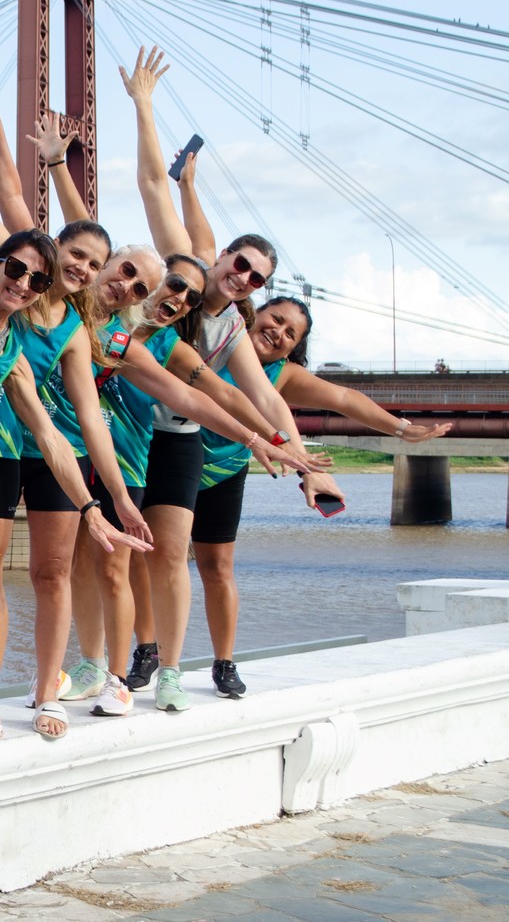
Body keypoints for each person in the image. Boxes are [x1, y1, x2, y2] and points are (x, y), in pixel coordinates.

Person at [0, 57, 155, 738]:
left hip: (50, 453)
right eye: (78, 255)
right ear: (51, 250)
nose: (83, 268)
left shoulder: (72, 327)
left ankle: (47, 693)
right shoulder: (10, 285)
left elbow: (87, 414)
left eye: (97, 263)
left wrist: (115, 496)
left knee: (54, 572)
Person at [119, 47, 337, 707]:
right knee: (124, 552)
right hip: (130, 425)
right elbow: (155, 188)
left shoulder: (234, 328)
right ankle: (133, 655)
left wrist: (301, 460)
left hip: (182, 433)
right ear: (219, 258)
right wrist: (144, 105)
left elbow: (260, 393)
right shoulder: (175, 273)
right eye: (237, 264)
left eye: (253, 278)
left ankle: (178, 670)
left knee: (178, 550)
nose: (239, 278)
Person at [70, 254, 305, 718]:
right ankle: (92, 664)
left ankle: (168, 670)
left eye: (191, 298)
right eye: (173, 285)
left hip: (162, 449)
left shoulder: (164, 346)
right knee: (85, 559)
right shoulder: (93, 321)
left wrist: (267, 440)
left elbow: (210, 395)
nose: (178, 300)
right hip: (93, 450)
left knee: (167, 555)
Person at [190, 295, 451, 687]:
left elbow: (344, 399)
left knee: (218, 568)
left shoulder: (283, 375)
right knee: (159, 560)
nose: (277, 332)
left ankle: (224, 664)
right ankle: (151, 655)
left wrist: (400, 429)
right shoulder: (210, 339)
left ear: (295, 349)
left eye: (290, 334)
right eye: (275, 319)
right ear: (254, 314)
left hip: (226, 471)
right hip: (173, 457)